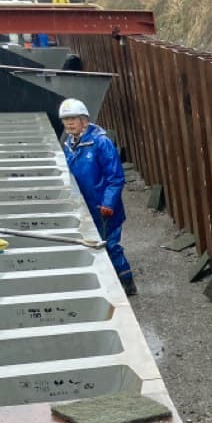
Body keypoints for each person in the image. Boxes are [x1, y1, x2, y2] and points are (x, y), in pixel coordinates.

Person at [58, 98, 136, 296]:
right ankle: (106, 282)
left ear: (84, 120)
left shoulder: (101, 143)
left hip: (103, 207)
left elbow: (116, 177)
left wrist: (109, 203)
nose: (69, 123)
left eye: (73, 119)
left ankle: (127, 282)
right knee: (92, 243)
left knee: (109, 244)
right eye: (66, 119)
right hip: (85, 206)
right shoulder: (70, 143)